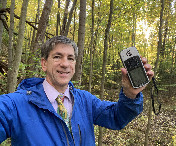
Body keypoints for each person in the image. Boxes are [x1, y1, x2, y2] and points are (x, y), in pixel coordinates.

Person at [0, 36, 154, 145]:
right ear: (44, 64)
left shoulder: (85, 100)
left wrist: (130, 94)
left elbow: (116, 118)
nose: (65, 64)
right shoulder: (15, 105)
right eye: (57, 57)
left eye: (70, 58)